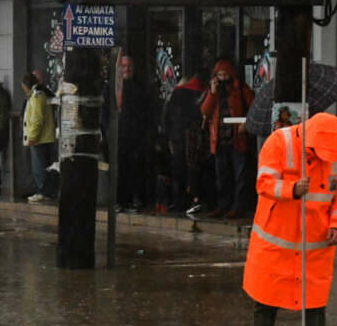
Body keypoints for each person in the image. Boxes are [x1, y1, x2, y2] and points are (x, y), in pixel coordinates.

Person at [243, 112, 337, 326]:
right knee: (266, 301)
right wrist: (291, 189)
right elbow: (263, 184)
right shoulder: (278, 142)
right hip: (275, 241)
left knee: (315, 302)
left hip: (316, 244)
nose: (321, 159)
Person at [200, 58, 256, 219]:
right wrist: (212, 92)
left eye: (225, 74)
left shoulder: (240, 89)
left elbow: (253, 107)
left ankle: (238, 207)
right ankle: (223, 205)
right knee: (222, 175)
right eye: (220, 75)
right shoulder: (214, 91)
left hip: (237, 137)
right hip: (219, 139)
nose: (223, 78)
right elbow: (205, 111)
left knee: (240, 175)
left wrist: (246, 123)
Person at [103, 54, 151, 211]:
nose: (127, 69)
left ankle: (135, 198)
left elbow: (147, 111)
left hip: (136, 135)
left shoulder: (141, 87)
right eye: (123, 66)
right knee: (118, 169)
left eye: (129, 66)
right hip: (117, 136)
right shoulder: (111, 88)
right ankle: (119, 200)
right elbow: (105, 113)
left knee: (136, 167)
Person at [160, 68, 207, 213]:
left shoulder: (175, 94)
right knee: (193, 170)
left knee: (179, 171)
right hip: (193, 137)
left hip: (177, 137)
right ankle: (193, 199)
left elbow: (166, 118)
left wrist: (168, 138)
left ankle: (178, 201)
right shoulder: (200, 92)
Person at [22, 71, 57, 203]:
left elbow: (37, 119)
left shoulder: (37, 96)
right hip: (43, 137)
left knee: (39, 166)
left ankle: (42, 191)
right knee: (44, 165)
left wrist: (32, 136)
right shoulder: (39, 95)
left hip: (39, 138)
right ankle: (46, 191)